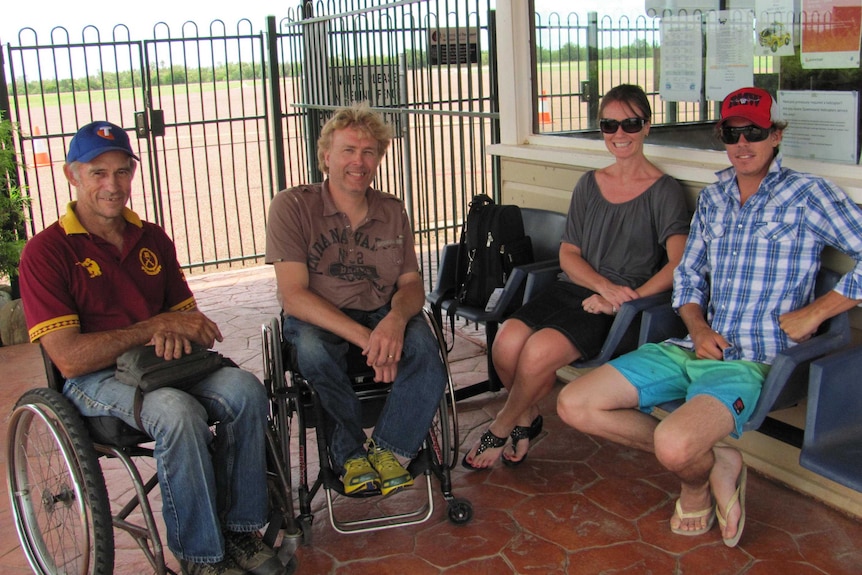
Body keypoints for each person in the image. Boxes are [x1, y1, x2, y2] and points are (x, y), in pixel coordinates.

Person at [556, 86, 862, 547]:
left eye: (755, 131)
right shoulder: (716, 198)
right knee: (574, 403)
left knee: (674, 445)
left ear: (776, 135)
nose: (743, 142)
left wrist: (818, 311)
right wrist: (696, 327)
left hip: (755, 359)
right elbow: (688, 277)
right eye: (732, 132)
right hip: (692, 346)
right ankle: (717, 459)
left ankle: (695, 483)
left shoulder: (808, 195)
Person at [18, 121, 284, 575]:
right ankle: (201, 556)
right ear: (72, 175)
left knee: (245, 391)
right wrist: (153, 327)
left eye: (122, 172)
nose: (113, 185)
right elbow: (69, 358)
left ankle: (240, 529)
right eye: (98, 173)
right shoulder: (47, 251)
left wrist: (176, 329)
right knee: (177, 413)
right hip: (94, 380)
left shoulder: (152, 238)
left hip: (164, 364)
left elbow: (196, 325)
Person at [462, 84, 690, 470]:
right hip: (579, 289)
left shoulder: (663, 192)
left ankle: (502, 424)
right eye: (609, 125)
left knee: (536, 352)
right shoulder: (589, 184)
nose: (620, 134)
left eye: (630, 124)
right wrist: (600, 285)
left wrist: (620, 297)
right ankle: (527, 417)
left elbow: (678, 265)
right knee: (507, 341)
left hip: (623, 308)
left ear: (647, 126)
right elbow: (569, 255)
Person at [265, 102, 447, 497]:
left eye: (369, 152)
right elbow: (293, 295)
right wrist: (370, 342)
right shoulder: (293, 206)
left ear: (379, 158)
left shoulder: (392, 210)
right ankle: (349, 455)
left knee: (426, 351)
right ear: (326, 156)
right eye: (348, 150)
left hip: (381, 310)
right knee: (313, 352)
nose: (358, 162)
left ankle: (385, 449)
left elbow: (412, 284)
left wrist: (394, 322)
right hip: (318, 314)